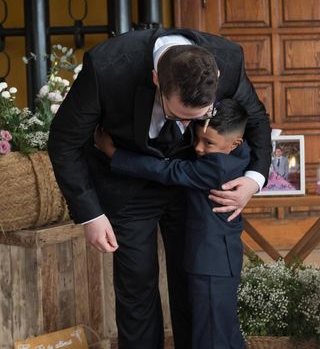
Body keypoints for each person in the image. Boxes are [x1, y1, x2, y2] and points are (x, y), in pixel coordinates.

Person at [48, 29, 271, 349]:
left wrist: (254, 179)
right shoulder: (107, 67)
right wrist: (91, 215)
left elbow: (258, 121)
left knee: (191, 285)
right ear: (156, 80)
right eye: (176, 115)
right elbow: (64, 141)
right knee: (136, 286)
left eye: (196, 119)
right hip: (126, 185)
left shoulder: (229, 60)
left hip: (190, 186)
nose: (184, 127)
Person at [94, 98, 249, 349]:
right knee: (223, 331)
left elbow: (165, 171)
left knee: (210, 338)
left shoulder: (216, 167)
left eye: (208, 143)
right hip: (222, 260)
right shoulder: (240, 154)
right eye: (196, 139)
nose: (198, 149)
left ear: (235, 143)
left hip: (210, 262)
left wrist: (113, 153)